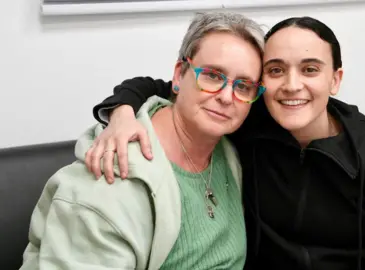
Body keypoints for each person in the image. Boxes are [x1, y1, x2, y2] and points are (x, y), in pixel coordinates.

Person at [87, 17, 365, 270]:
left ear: (335, 79)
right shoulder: (242, 114)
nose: (292, 85)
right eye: (276, 70)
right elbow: (162, 85)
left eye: (310, 69)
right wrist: (122, 113)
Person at [20, 12, 266, 270]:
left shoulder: (229, 151)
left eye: (243, 85)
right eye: (213, 76)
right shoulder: (111, 181)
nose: (227, 97)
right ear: (180, 75)